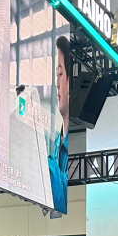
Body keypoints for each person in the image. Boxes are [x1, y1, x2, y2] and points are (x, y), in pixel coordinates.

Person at [48, 36, 71, 215]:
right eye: (56, 75)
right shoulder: (56, 146)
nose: (56, 83)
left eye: (60, 74)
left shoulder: (66, 149)